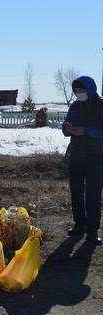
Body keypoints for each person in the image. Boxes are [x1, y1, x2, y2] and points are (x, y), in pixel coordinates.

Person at [62, 75, 103, 245]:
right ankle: (80, 225)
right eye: (76, 91)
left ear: (90, 89)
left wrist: (85, 131)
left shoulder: (101, 105)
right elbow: (66, 125)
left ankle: (93, 233)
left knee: (93, 195)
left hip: (96, 158)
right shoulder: (75, 106)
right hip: (77, 155)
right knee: (76, 192)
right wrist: (67, 128)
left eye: (82, 90)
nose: (79, 94)